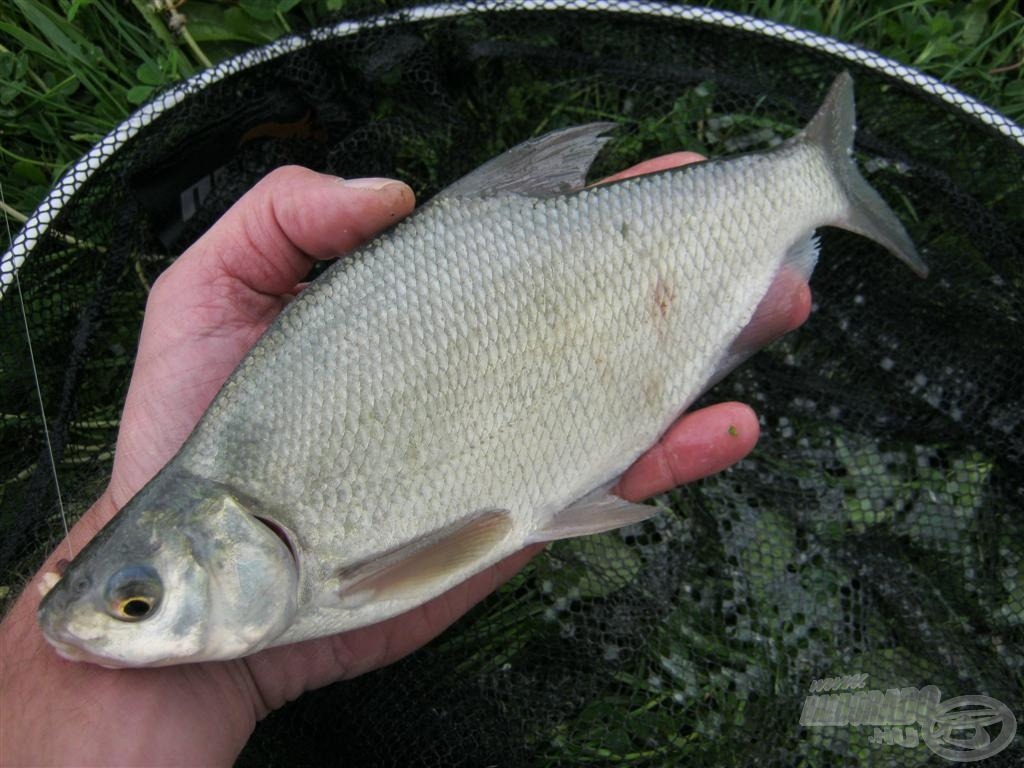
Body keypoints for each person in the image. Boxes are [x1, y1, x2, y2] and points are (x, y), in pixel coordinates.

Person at [0, 154, 810, 766]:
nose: (119, 620)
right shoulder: (231, 493)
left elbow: (481, 529)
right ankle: (798, 191)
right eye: (137, 602)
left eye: (135, 602)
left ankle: (804, 186)